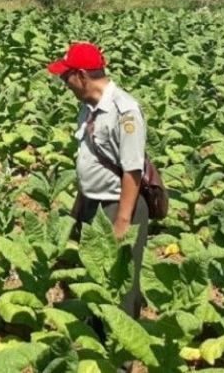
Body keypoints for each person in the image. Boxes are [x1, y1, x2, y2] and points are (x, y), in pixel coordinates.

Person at [48, 41, 149, 319]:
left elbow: (132, 171)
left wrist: (122, 222)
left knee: (122, 284)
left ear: (81, 76)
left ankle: (120, 358)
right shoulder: (88, 107)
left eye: (65, 76)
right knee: (95, 275)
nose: (63, 83)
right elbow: (89, 159)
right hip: (93, 205)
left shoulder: (124, 110)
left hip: (118, 206)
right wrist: (78, 208)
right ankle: (96, 334)